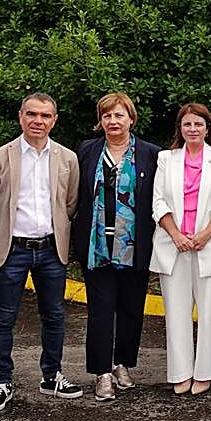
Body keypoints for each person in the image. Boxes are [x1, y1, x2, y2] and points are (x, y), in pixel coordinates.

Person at [0, 92, 82, 413]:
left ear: (54, 120)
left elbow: (71, 204)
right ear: (21, 116)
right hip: (13, 249)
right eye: (32, 114)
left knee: (54, 315)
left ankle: (51, 375)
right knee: (4, 317)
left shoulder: (67, 159)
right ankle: (1, 382)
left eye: (46, 116)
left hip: (51, 249)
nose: (38, 121)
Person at [72, 92, 160, 402]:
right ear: (101, 121)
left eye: (119, 115)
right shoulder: (87, 151)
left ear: (131, 120)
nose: (113, 121)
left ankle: (123, 364)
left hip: (134, 246)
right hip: (97, 246)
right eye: (107, 116)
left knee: (131, 309)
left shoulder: (150, 154)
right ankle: (101, 373)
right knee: (100, 310)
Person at [150, 104, 211, 395]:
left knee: (210, 312)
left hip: (208, 245)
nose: (193, 129)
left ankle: (205, 372)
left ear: (207, 127)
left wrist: (204, 234)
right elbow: (158, 202)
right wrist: (176, 235)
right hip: (174, 245)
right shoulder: (166, 159)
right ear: (180, 129)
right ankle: (180, 372)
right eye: (187, 124)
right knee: (176, 313)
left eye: (198, 124)